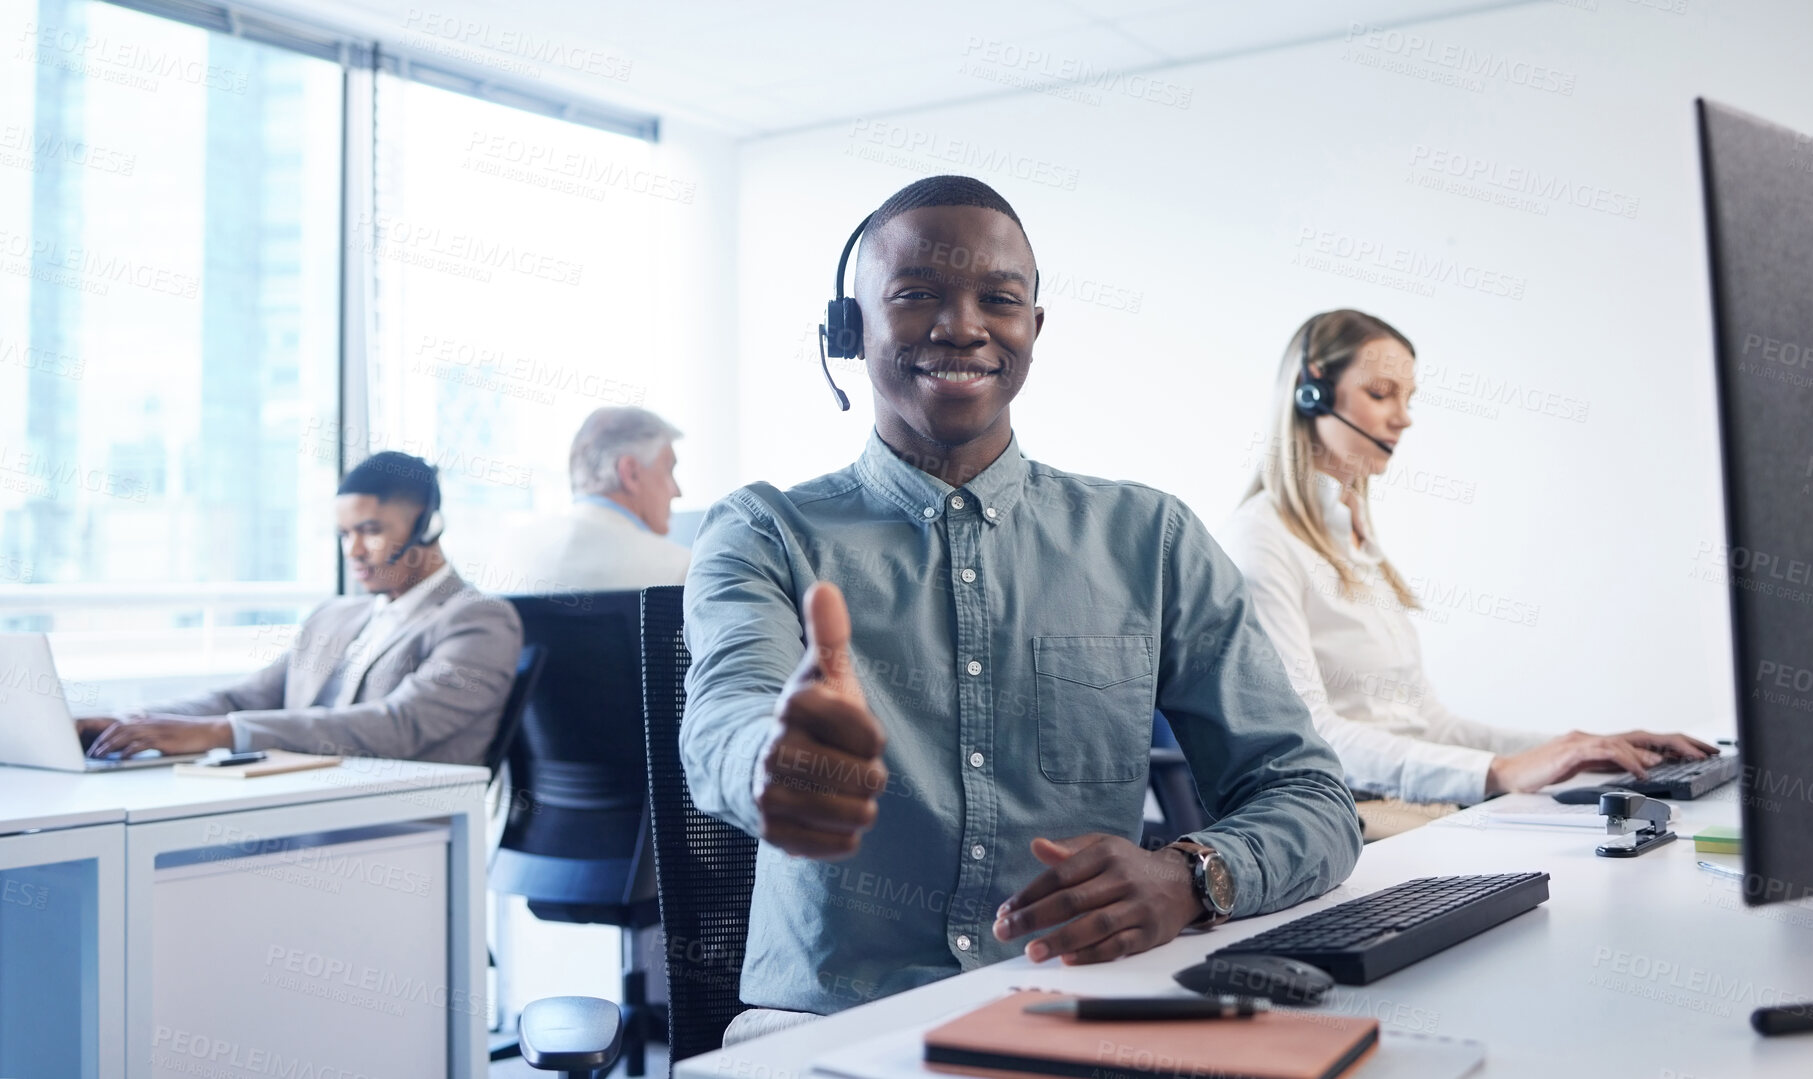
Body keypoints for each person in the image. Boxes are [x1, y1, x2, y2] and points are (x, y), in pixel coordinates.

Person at [681, 176, 1360, 1039]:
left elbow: (1310, 793)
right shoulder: (763, 530)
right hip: (832, 1028)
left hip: (1076, 1013)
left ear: (1033, 329)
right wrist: (772, 762)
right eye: (915, 294)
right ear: (848, 331)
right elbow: (722, 721)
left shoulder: (1149, 537)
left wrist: (1190, 875)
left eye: (997, 299)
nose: (961, 325)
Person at [1217, 309, 1714, 834]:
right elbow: (1313, 738)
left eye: (1409, 400)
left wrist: (1581, 749)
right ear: (1310, 392)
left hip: (1418, 805)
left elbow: (1430, 724)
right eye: (1382, 393)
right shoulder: (1262, 542)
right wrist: (1498, 772)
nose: (1403, 418)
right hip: (1351, 818)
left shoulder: (1357, 542)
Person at [78, 452, 522, 765]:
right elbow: (244, 699)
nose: (354, 551)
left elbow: (400, 725)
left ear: (428, 525)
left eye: (370, 530)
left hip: (400, 828)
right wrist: (131, 723)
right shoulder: (336, 616)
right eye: (344, 534)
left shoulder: (478, 619)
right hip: (295, 800)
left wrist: (223, 733)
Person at [487, 406, 690, 592]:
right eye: (669, 470)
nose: (677, 491)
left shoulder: (509, 551)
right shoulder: (681, 570)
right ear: (631, 474)